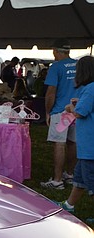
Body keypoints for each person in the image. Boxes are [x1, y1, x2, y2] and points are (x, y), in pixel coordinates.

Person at [58, 56, 94, 215]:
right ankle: (69, 205)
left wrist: (70, 107)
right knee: (79, 177)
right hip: (87, 147)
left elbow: (80, 112)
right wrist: (79, 102)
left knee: (91, 180)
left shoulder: (90, 88)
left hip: (90, 146)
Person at [42, 40, 78, 190]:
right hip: (76, 110)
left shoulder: (56, 67)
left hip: (61, 111)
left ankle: (57, 180)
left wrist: (48, 112)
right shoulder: (79, 65)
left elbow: (51, 93)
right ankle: (70, 175)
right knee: (73, 143)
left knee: (60, 143)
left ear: (56, 51)